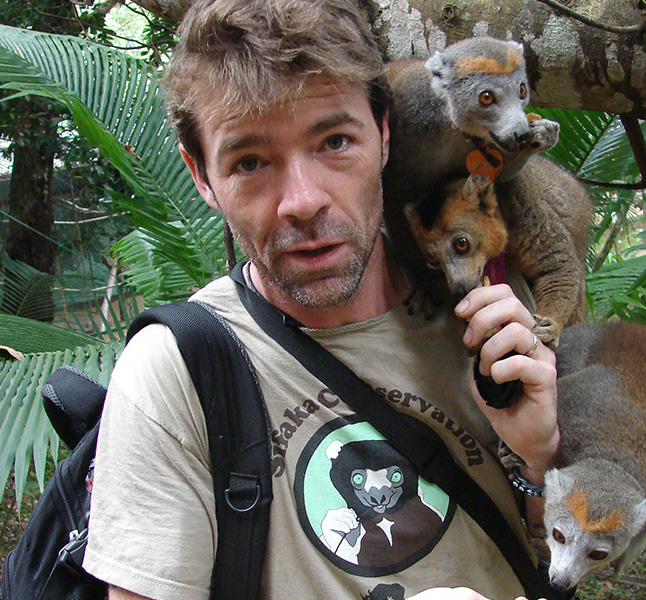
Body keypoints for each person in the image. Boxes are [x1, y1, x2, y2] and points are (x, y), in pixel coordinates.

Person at [82, 1, 562, 599]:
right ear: (201, 175)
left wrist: (539, 459)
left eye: (335, 141)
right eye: (249, 162)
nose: (303, 200)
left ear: (384, 134)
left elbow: (560, 557)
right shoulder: (176, 372)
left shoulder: (493, 316)